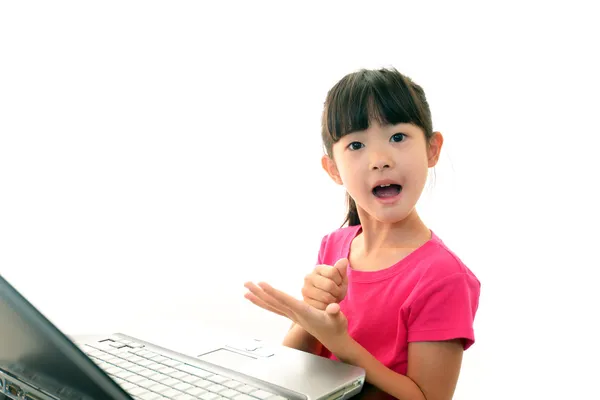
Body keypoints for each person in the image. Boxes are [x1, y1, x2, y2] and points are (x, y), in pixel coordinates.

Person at [244, 67, 481, 400]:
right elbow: (294, 367)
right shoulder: (335, 246)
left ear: (432, 149)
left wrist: (342, 344)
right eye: (356, 144)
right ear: (333, 169)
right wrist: (309, 314)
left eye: (398, 137)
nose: (380, 160)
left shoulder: (443, 277)